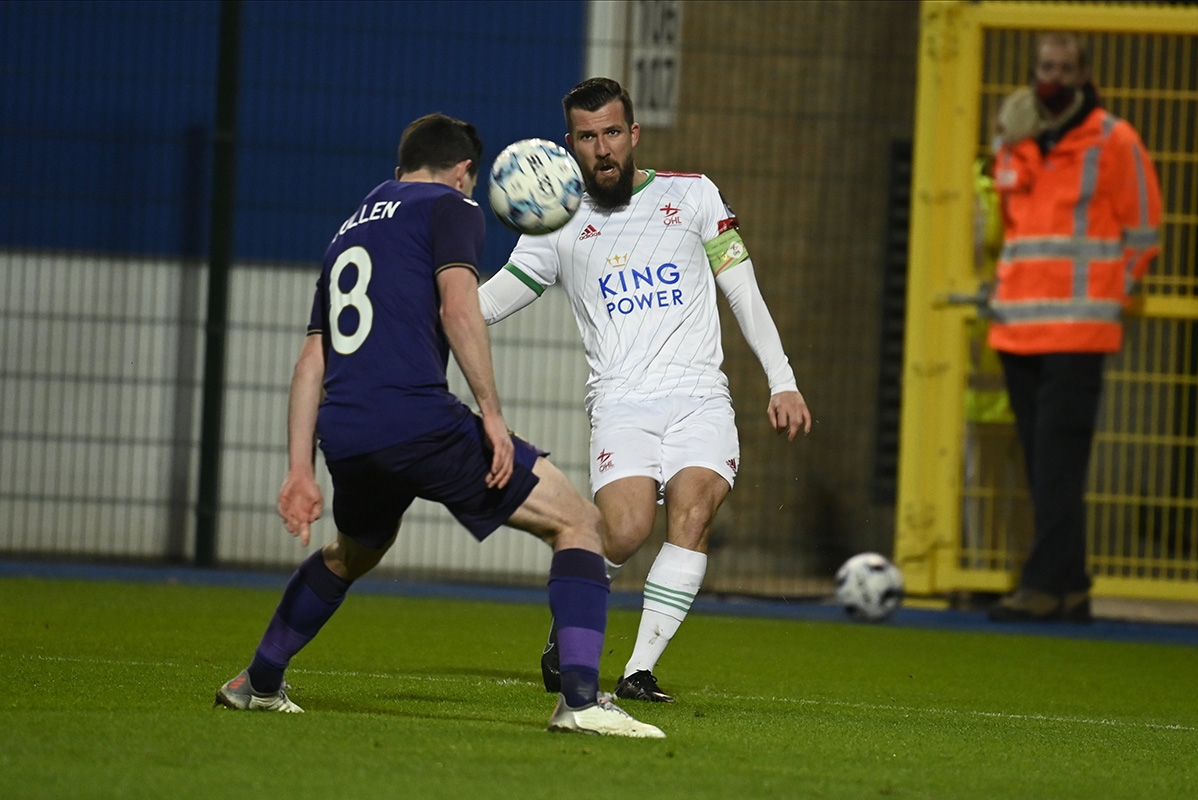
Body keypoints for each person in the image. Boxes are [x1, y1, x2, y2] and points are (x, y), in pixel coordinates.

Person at [213, 113, 664, 738]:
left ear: (400, 169)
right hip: (416, 418)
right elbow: (459, 307)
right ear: (463, 173)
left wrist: (299, 470)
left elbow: (310, 360)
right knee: (579, 522)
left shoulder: (347, 232)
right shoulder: (451, 208)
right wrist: (494, 417)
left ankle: (257, 682)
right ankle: (581, 701)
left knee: (352, 551)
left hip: (346, 431)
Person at [478, 79, 811, 702]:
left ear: (633, 135)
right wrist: (438, 314)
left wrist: (782, 380)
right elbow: (499, 295)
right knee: (626, 531)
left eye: (611, 133)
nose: (601, 148)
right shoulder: (556, 221)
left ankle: (636, 671)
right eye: (586, 137)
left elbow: (742, 288)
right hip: (621, 400)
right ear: (569, 145)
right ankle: (569, 616)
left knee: (695, 509)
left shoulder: (693, 196)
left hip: (700, 396)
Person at [986, 33, 1161, 622]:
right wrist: (1010, 141)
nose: (1052, 77)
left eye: (1063, 67)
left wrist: (1116, 294)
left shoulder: (1115, 140)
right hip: (1017, 331)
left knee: (1057, 464)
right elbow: (1009, 225)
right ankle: (1071, 585)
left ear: (1085, 74)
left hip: (1080, 333)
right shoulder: (1016, 136)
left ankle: (1041, 584)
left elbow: (1144, 231)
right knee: (1042, 466)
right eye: (1044, 66)